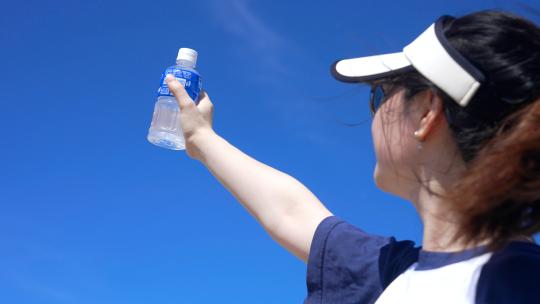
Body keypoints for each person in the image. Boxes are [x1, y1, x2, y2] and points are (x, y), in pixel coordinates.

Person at [163, 9, 540, 304]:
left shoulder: (516, 287)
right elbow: (291, 212)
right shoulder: (395, 273)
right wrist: (200, 138)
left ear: (427, 111)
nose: (374, 114)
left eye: (379, 96)